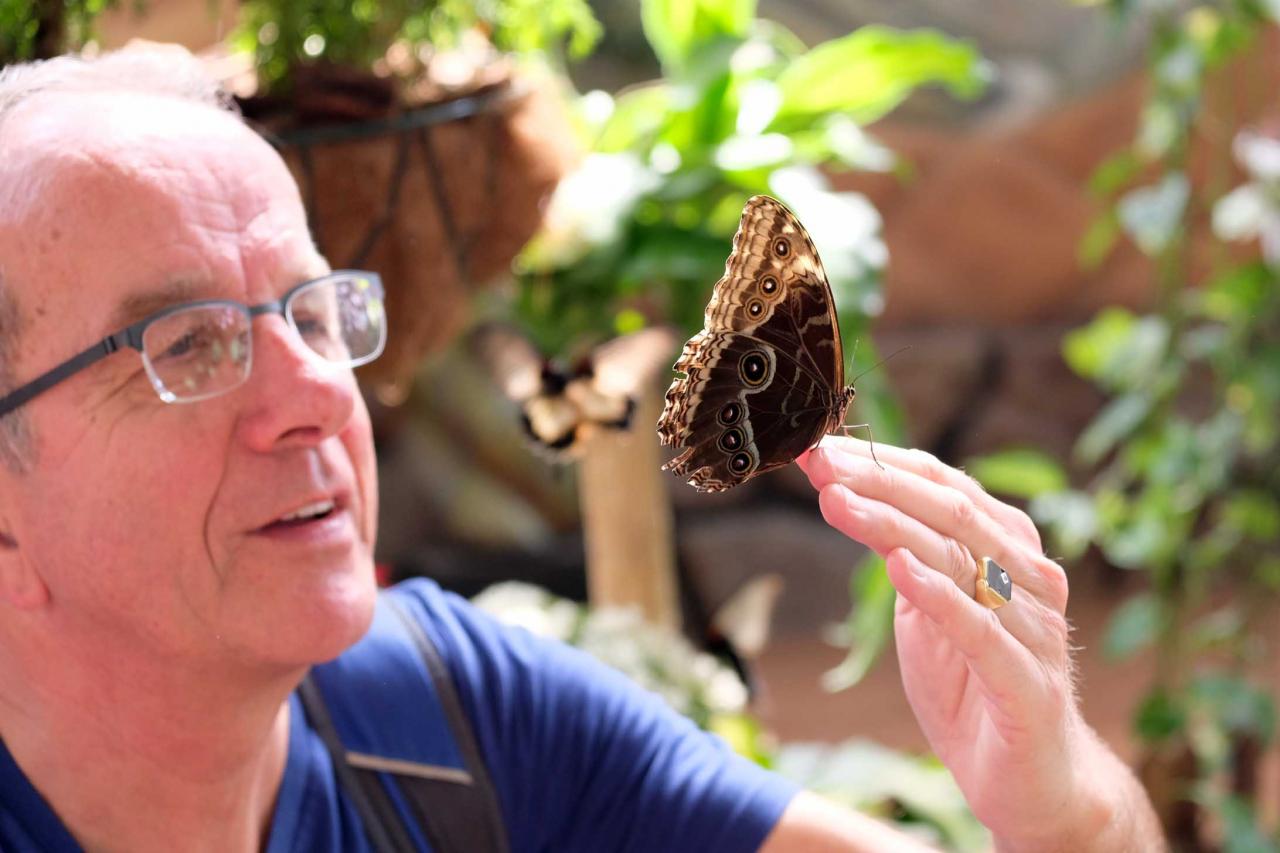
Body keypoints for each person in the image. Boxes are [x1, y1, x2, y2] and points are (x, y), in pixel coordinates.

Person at [0, 47, 1164, 852]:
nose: (318, 394)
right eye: (187, 345)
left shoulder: (447, 720)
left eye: (312, 315)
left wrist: (1060, 807)